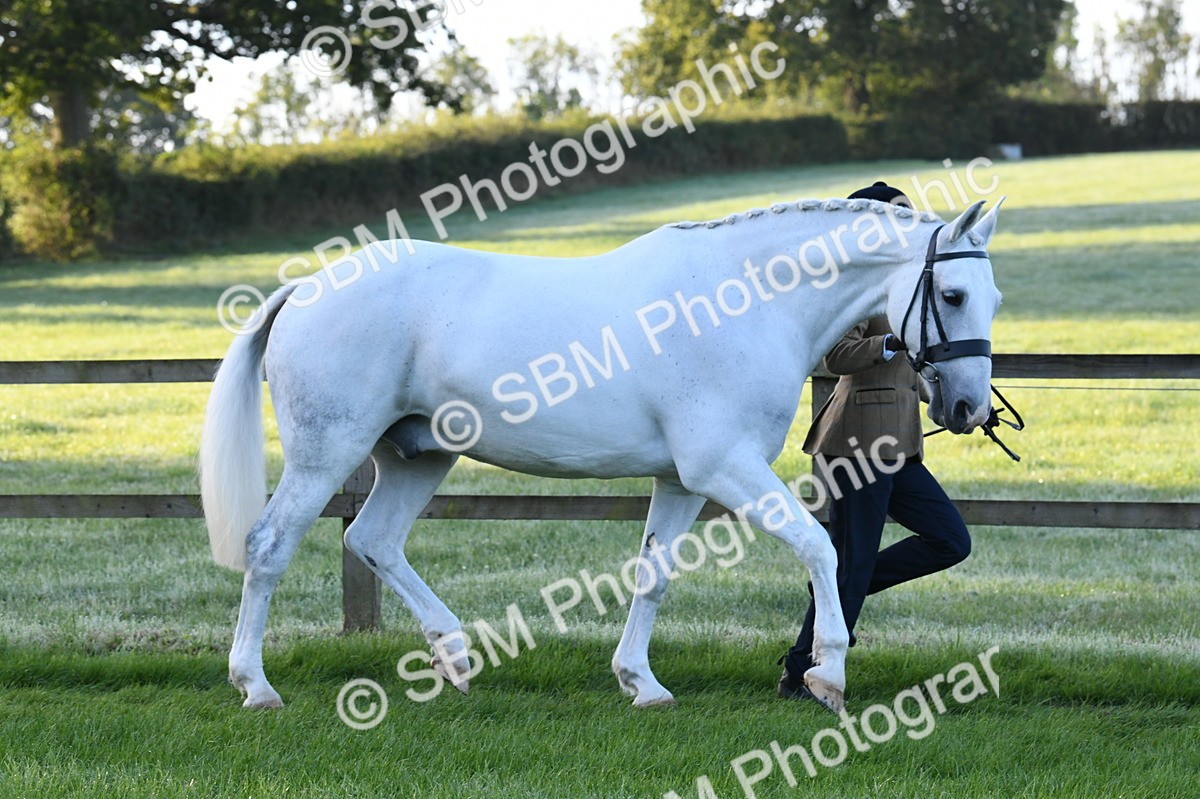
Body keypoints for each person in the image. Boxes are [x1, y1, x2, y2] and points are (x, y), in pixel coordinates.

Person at [777, 181, 972, 704]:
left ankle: (832, 593)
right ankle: (803, 671)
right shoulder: (858, 286)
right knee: (855, 557)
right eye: (899, 217)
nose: (911, 226)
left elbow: (928, 361)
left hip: (901, 445)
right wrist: (889, 342)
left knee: (951, 540)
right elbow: (835, 355)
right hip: (856, 442)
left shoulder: (911, 286)